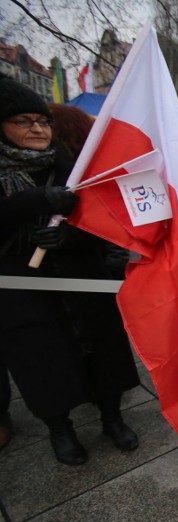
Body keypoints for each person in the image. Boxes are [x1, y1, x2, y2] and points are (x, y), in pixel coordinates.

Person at [0, 76, 140, 465]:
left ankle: (112, 418)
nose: (37, 129)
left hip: (81, 278)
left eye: (42, 121)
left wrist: (73, 240)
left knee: (104, 351)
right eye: (24, 122)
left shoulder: (71, 168)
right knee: (41, 359)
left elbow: (105, 221)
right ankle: (60, 430)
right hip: (23, 288)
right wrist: (31, 203)